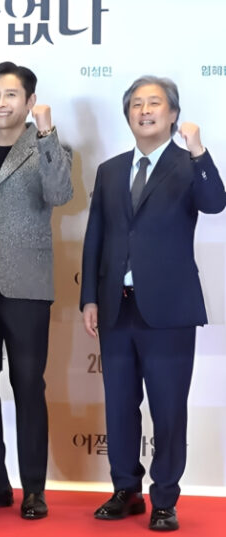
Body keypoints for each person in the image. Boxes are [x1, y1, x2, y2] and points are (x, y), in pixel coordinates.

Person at [81, 76, 225, 532]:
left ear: (173, 114)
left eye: (154, 103)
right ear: (127, 115)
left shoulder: (189, 165)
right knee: (119, 405)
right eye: (137, 104)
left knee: (167, 409)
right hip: (115, 307)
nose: (145, 111)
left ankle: (165, 498)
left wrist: (199, 149)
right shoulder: (109, 169)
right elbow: (95, 239)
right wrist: (88, 298)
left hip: (169, 311)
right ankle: (126, 489)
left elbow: (215, 202)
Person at [0, 61, 72, 519]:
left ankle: (34, 490)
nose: (0, 103)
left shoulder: (51, 147)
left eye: (10, 95)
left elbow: (60, 194)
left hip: (25, 289)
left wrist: (46, 135)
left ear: (29, 101)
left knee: (27, 385)